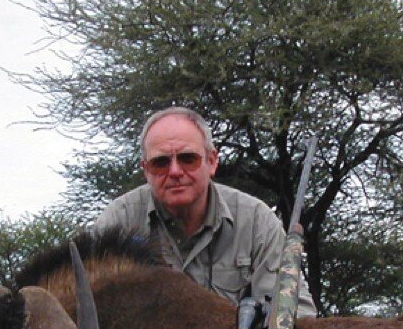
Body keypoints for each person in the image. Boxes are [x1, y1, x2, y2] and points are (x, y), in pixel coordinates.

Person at [93, 107, 317, 317]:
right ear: (146, 170)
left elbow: (296, 317)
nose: (174, 172)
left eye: (188, 159)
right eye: (160, 163)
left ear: (212, 162)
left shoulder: (257, 221)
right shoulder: (117, 223)